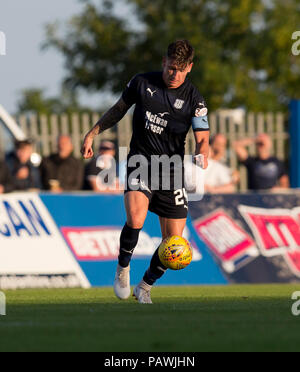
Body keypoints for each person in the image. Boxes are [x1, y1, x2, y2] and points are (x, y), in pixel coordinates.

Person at [81, 40, 210, 304]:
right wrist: (93, 133)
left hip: (171, 169)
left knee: (174, 244)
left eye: (180, 69)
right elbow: (118, 109)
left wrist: (202, 153)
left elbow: (203, 137)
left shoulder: (195, 99)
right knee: (136, 218)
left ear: (190, 68)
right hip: (140, 161)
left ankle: (145, 286)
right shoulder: (142, 83)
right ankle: (122, 268)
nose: (174, 74)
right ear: (164, 62)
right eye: (171, 67)